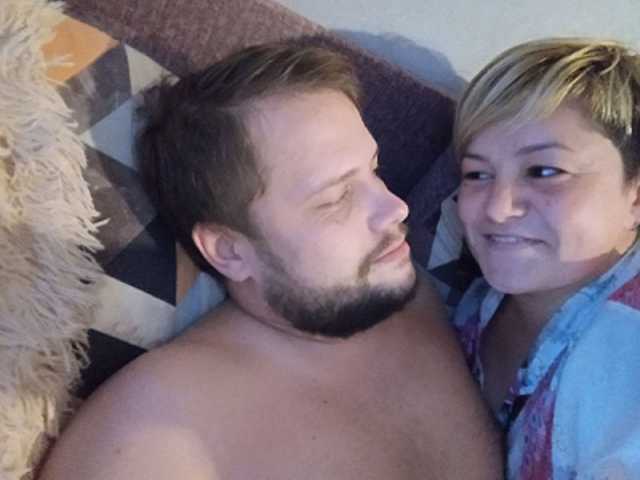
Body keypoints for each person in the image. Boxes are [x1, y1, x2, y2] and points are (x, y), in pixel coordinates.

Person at [39, 43, 501, 479]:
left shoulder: (413, 294)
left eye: (374, 170)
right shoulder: (151, 436)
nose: (395, 209)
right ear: (229, 250)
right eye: (336, 198)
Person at [452, 37, 640, 479]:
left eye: (544, 171)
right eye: (477, 174)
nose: (498, 208)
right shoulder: (474, 300)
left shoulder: (626, 354)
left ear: (635, 197)